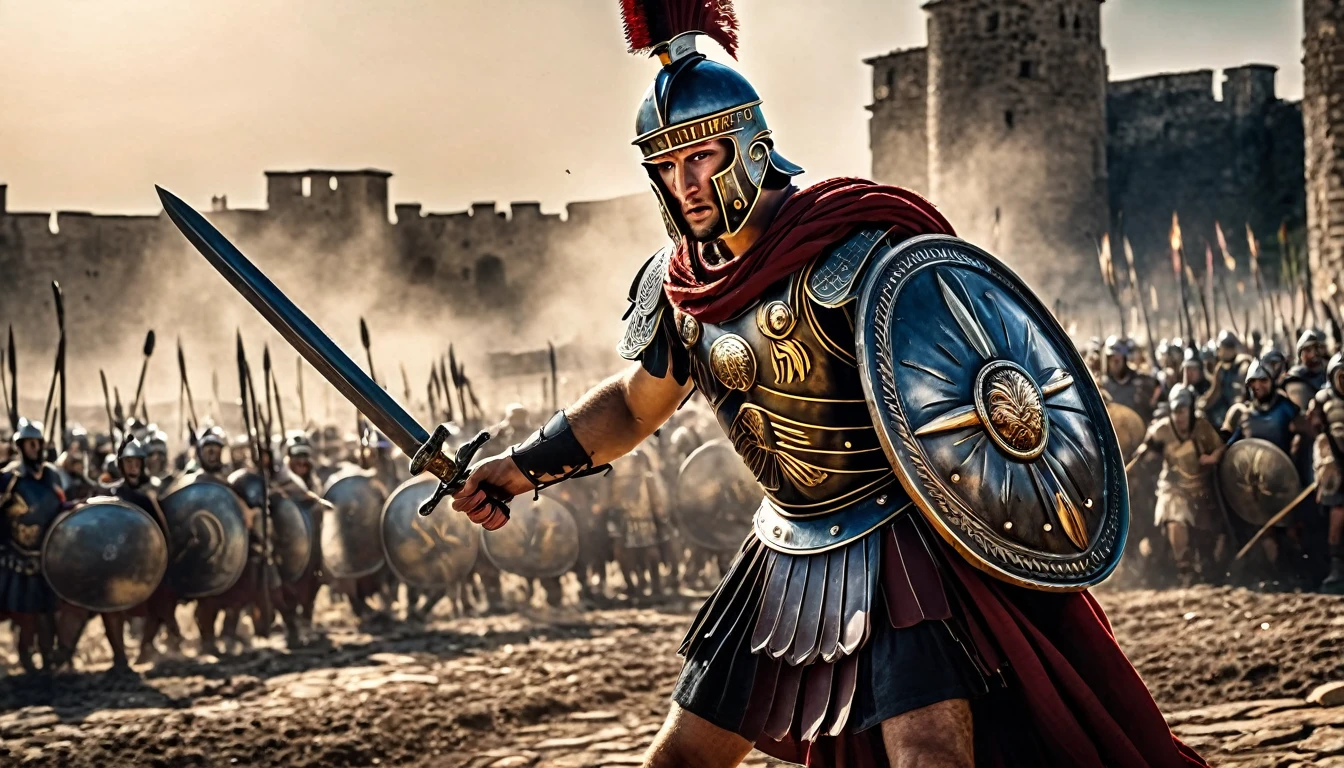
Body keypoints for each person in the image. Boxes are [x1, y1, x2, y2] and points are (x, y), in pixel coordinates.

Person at [450, 12, 1205, 767]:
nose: (686, 185)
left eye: (701, 158)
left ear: (749, 146)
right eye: (667, 167)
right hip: (785, 543)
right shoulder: (680, 288)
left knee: (929, 754)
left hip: (902, 540)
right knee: (679, 759)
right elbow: (633, 404)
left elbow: (983, 378)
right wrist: (519, 468)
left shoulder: (853, 246)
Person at [1130, 387, 1226, 585]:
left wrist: (1212, 458)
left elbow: (1219, 447)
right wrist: (1139, 457)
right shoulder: (1162, 429)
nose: (1179, 417)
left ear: (1190, 410)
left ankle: (1206, 566)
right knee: (1175, 519)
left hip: (1200, 487)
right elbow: (1146, 450)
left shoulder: (1201, 426)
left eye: (1183, 411)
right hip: (1172, 487)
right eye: (1175, 412)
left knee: (1207, 532)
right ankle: (1184, 568)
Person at [0, 418, 66, 672]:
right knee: (25, 614)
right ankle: (26, 658)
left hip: (48, 554)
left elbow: (62, 504)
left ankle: (49, 657)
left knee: (49, 613)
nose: (34, 448)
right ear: (20, 446)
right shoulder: (9, 478)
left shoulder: (50, 474)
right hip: (17, 555)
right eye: (29, 444)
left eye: (37, 443)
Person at [1308, 353, 1344, 594]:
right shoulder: (1323, 400)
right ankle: (1337, 571)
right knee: (1337, 519)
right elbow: (1316, 432)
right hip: (1336, 467)